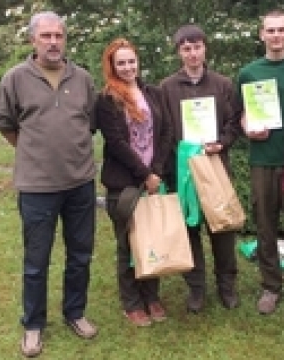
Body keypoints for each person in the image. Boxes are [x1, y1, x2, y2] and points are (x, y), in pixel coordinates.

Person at [0, 11, 98, 358]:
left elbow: (90, 122)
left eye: (58, 36)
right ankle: (34, 324)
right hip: (37, 186)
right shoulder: (15, 78)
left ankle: (75, 313)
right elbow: (6, 124)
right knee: (36, 261)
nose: (53, 42)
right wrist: (34, 151)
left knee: (80, 255)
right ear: (33, 40)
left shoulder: (82, 78)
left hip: (80, 182)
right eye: (46, 36)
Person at [160, 24, 242, 313]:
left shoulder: (223, 84)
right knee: (190, 229)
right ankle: (196, 288)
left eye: (197, 47)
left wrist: (221, 142)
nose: (192, 53)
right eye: (186, 48)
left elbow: (234, 123)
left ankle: (226, 286)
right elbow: (164, 129)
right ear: (179, 52)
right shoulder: (167, 88)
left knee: (222, 230)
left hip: (215, 166)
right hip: (183, 172)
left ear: (205, 48)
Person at [236, 9, 284, 316]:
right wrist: (247, 127)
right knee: (265, 225)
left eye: (281, 30)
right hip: (262, 161)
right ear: (261, 34)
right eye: (271, 30)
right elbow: (240, 114)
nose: (276, 35)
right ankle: (270, 286)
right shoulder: (249, 73)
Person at [95, 38, 172, 327]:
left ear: (137, 61)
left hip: (153, 178)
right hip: (124, 183)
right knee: (128, 243)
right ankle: (132, 302)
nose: (128, 67)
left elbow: (166, 133)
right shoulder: (107, 99)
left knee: (152, 239)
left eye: (131, 61)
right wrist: (145, 174)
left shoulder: (153, 92)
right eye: (121, 63)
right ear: (112, 67)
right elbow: (115, 143)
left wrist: (157, 171)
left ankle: (151, 296)